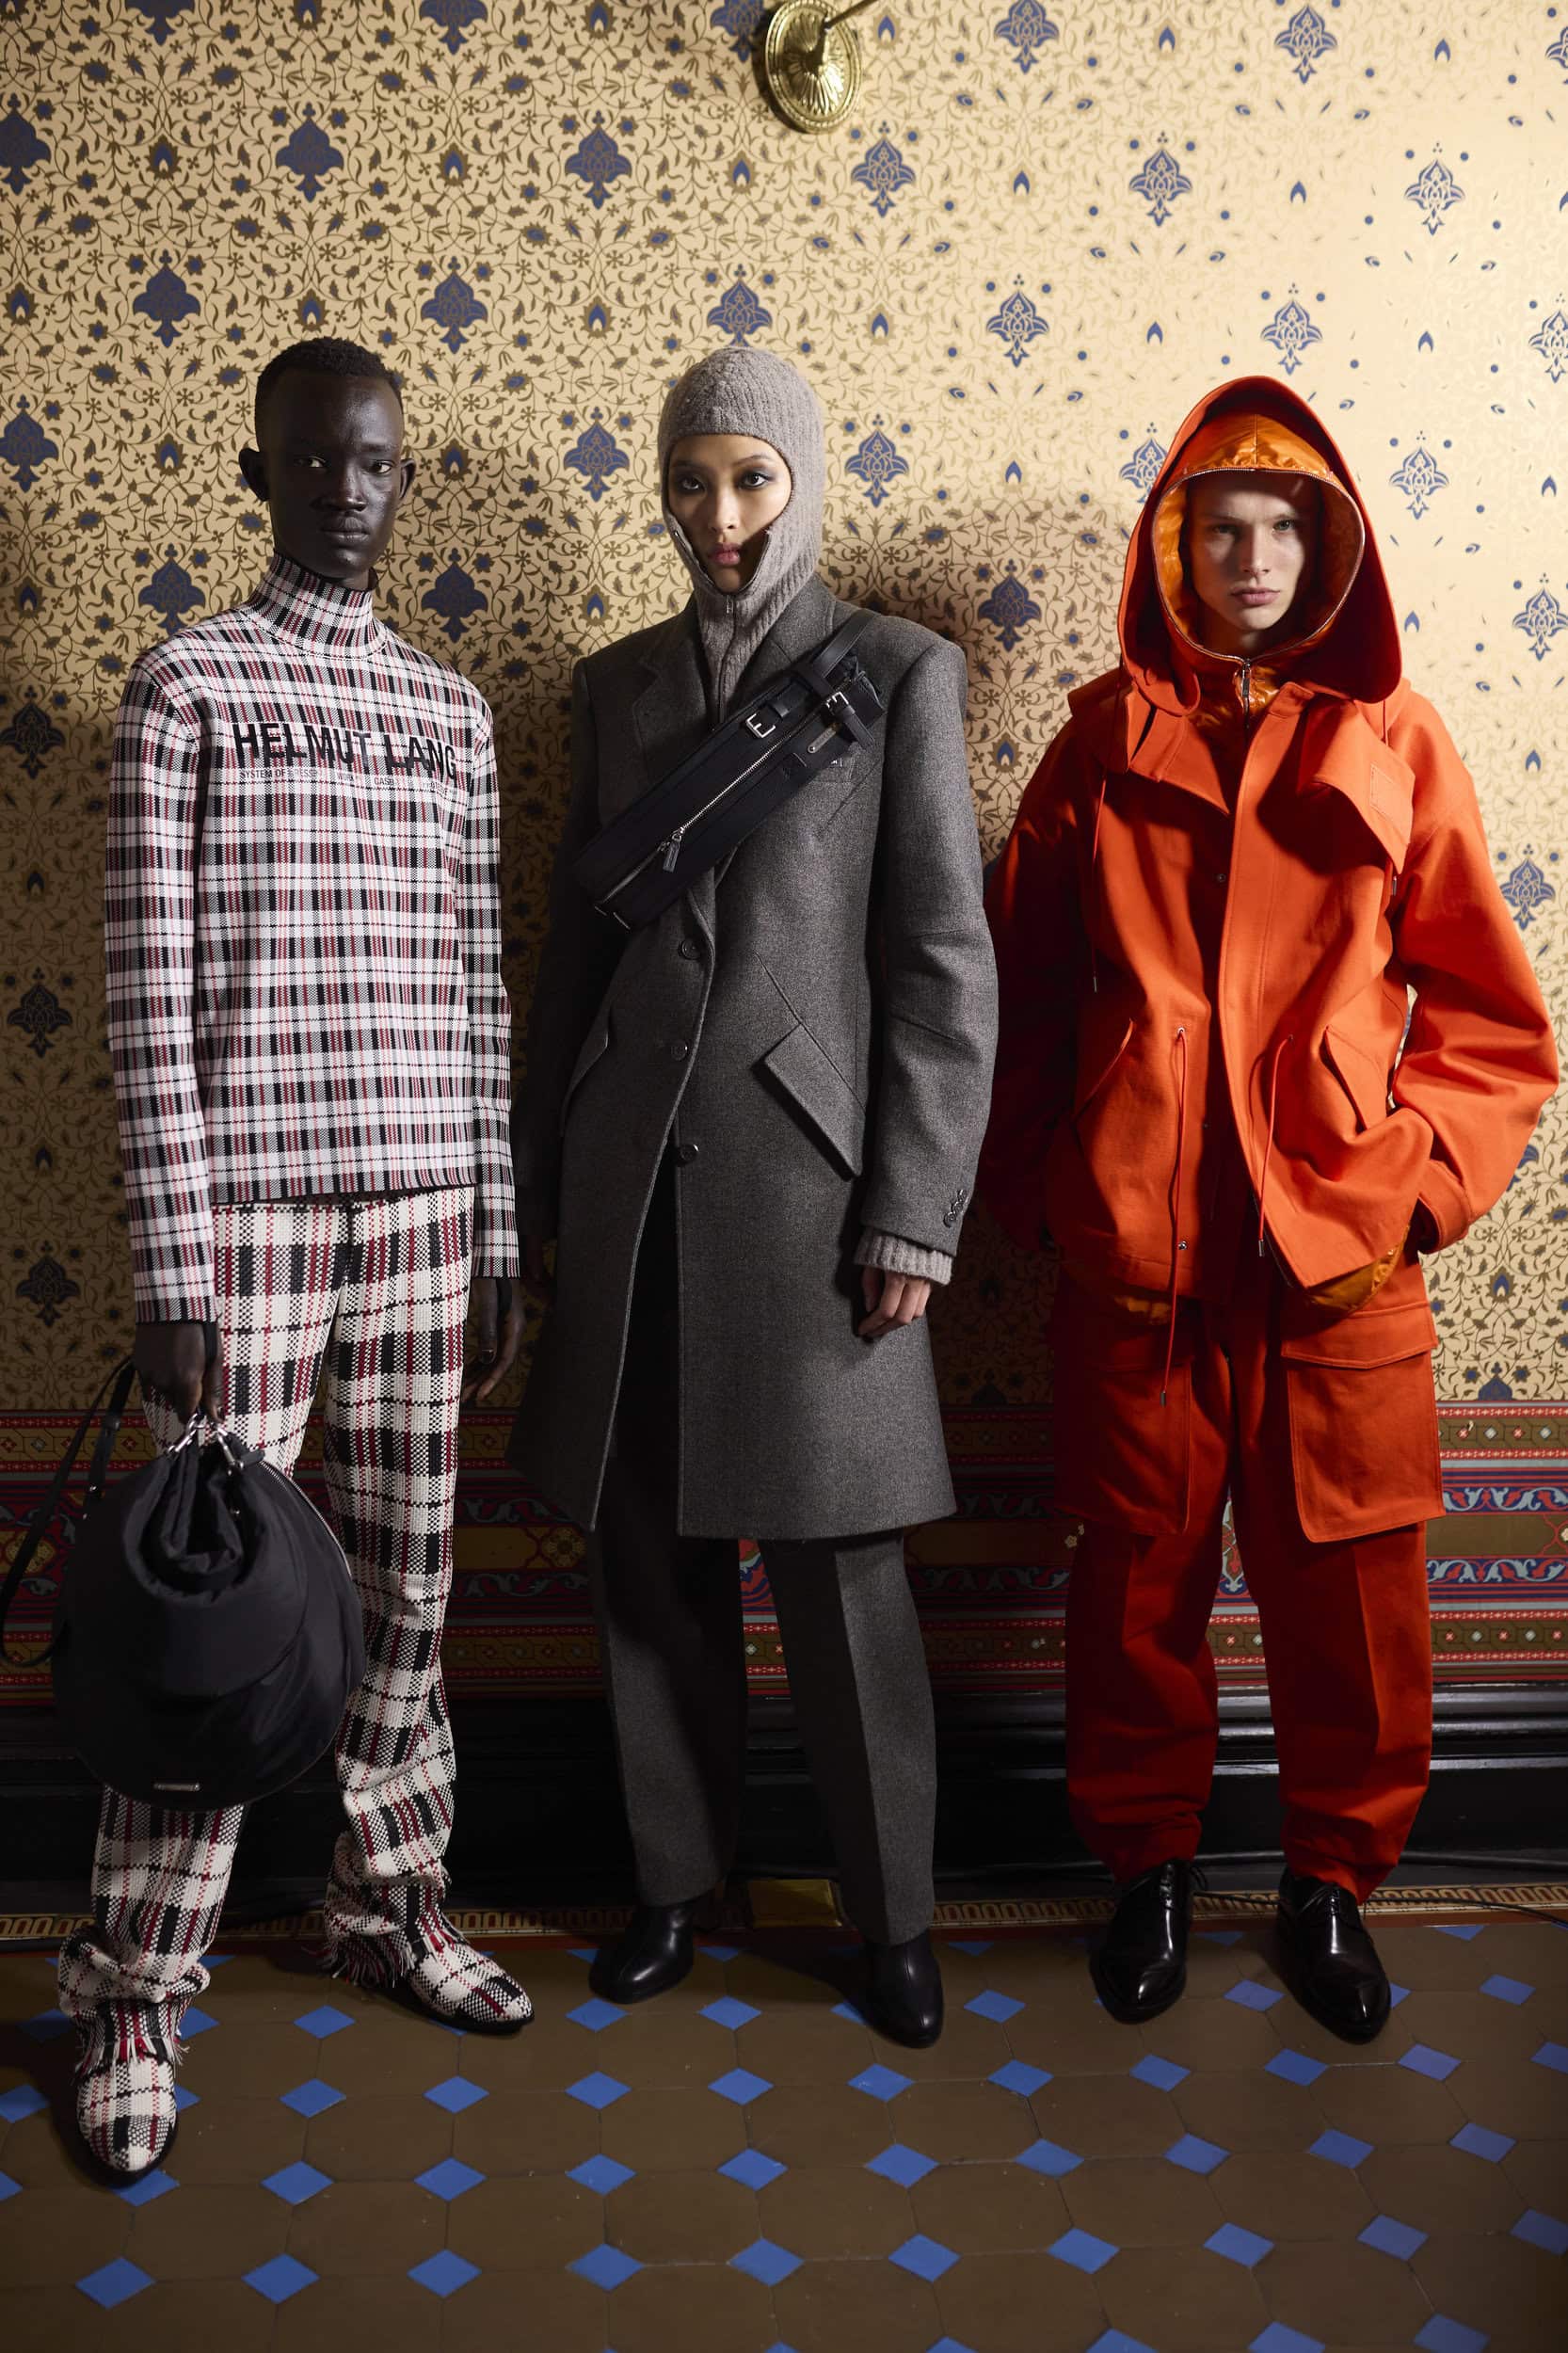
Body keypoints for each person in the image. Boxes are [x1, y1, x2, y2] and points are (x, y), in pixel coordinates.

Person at [982, 377, 1556, 2041]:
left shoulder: (1398, 741)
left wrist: (1411, 1191)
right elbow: (1013, 1003)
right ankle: (1146, 1873)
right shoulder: (1098, 740)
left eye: (1281, 529)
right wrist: (1044, 1193)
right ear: (1172, 551)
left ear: (1327, 552)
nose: (1249, 558)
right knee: (1131, 1589)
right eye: (1219, 528)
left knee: (1352, 1604)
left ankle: (1329, 1887)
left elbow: (1489, 1022)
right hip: (1138, 1257)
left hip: (1335, 1263)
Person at [64, 337, 532, 2180]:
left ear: (403, 480)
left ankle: (387, 1903)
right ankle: (133, 1986)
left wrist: (496, 1226)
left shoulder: (449, 713)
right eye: (316, 462)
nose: (347, 492)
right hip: (244, 1225)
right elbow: (144, 994)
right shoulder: (184, 686)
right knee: (204, 1614)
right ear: (259, 472)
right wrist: (170, 1261)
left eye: (376, 464)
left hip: (423, 1219)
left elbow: (477, 988)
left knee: (410, 1583)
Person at [510, 347, 997, 2046]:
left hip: (815, 1189)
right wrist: (539, 1189)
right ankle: (672, 1886)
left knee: (840, 1572)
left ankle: (893, 1917)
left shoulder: (895, 673)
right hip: (628, 1176)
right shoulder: (614, 687)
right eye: (690, 481)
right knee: (645, 1555)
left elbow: (941, 962)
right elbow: (572, 957)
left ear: (800, 481)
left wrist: (912, 1210)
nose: (717, 516)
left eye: (749, 479)